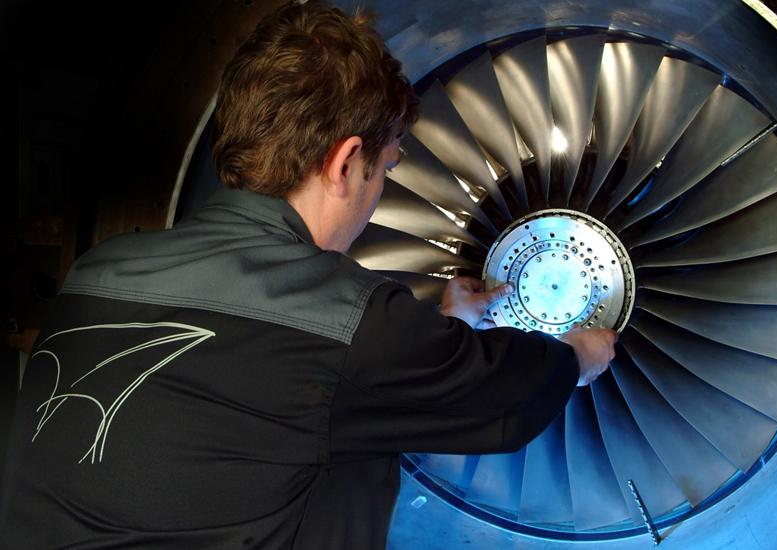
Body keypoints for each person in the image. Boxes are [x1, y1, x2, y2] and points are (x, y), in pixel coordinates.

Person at [0, 1, 616, 548]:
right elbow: (507, 400)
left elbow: (276, 389)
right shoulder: (350, 323)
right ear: (347, 162)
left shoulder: (95, 273)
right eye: (387, 168)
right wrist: (579, 353)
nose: (379, 190)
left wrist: (449, 323)